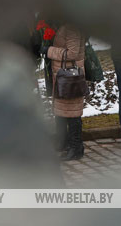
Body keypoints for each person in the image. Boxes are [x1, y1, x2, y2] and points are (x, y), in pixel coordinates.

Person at [42, 22, 87, 161]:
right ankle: (64, 143)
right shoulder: (65, 25)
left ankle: (76, 148)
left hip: (70, 78)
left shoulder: (72, 27)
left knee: (72, 114)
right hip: (63, 77)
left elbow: (72, 53)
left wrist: (49, 50)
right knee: (62, 112)